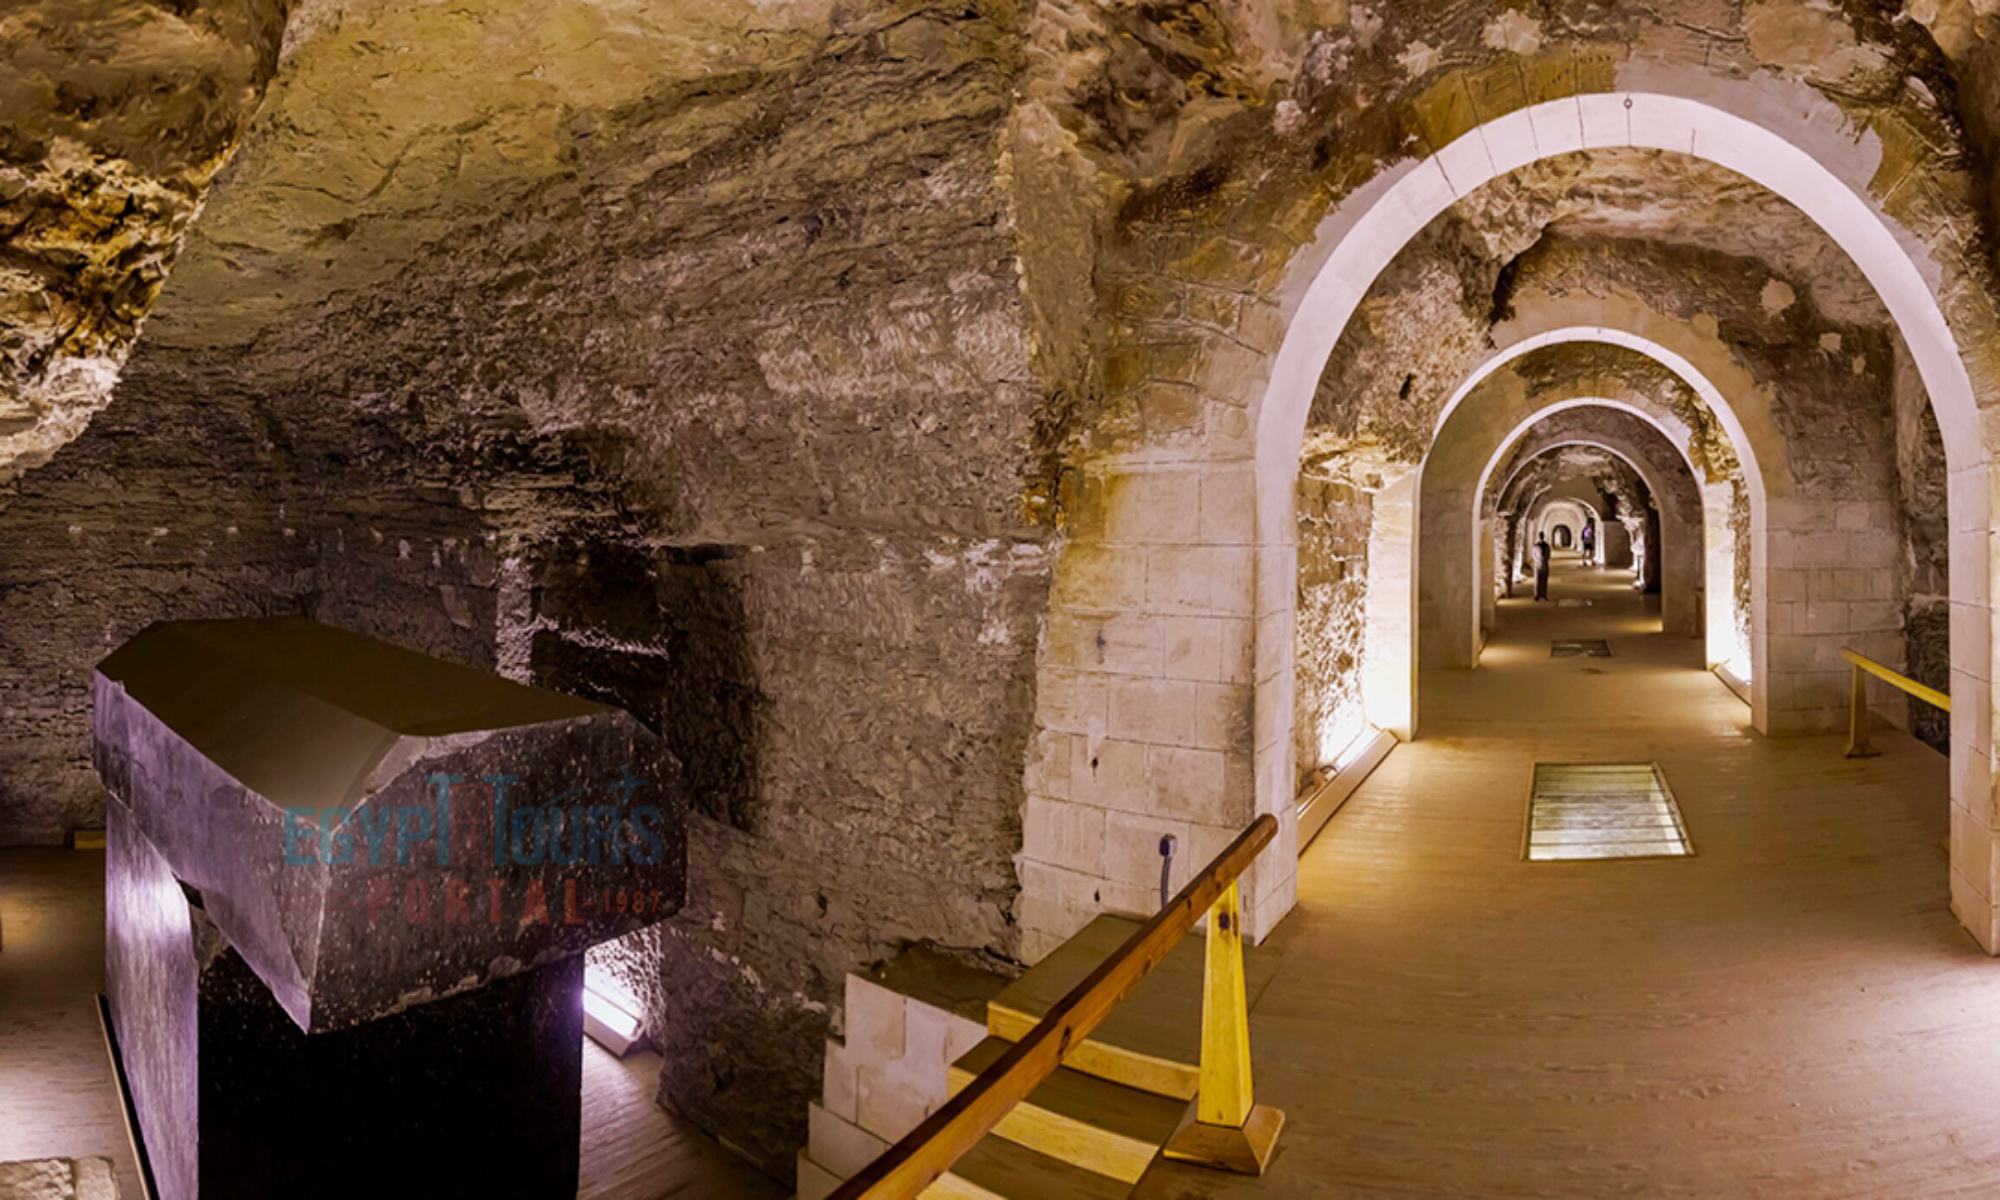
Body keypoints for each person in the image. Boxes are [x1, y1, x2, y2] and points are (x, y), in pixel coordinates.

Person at [1534, 533, 1551, 601]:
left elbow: (1548, 555)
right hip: (1539, 564)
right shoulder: (1536, 546)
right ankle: (1537, 594)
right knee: (1538, 580)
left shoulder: (1546, 546)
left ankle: (1543, 594)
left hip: (1543, 564)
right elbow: (1534, 555)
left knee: (1543, 580)